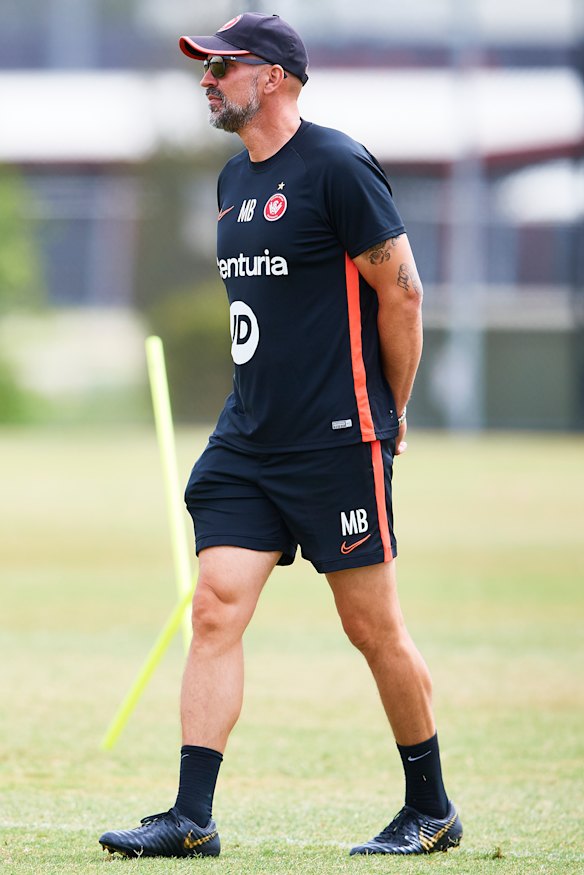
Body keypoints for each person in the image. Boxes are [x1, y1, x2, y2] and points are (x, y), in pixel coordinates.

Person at [99, 11, 462, 859]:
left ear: (272, 76)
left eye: (220, 66)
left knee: (371, 627)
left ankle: (432, 807)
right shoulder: (232, 180)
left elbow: (402, 294)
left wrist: (391, 408)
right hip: (248, 438)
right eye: (204, 67)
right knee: (214, 606)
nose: (206, 79)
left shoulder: (337, 166)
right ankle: (191, 818)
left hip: (335, 438)